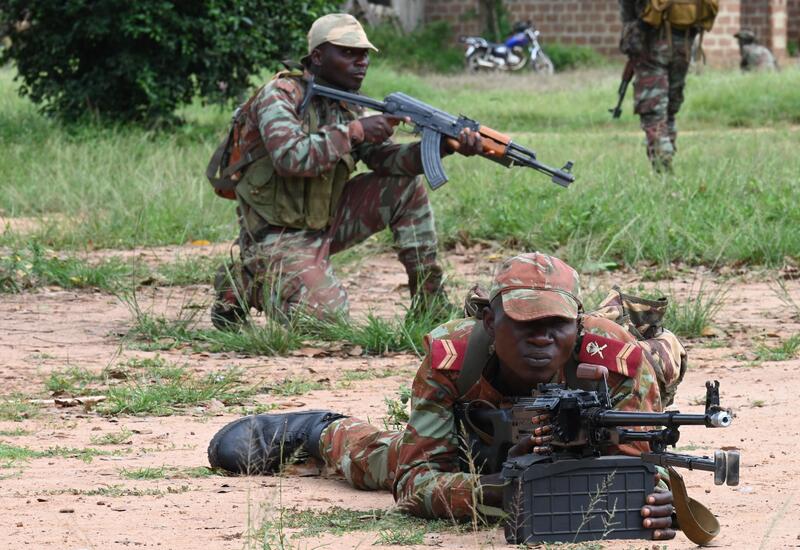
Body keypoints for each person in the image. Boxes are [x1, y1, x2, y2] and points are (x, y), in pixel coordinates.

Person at [207, 252, 687, 540]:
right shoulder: (454, 358)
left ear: (578, 325)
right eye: (524, 323)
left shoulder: (615, 361)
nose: (541, 338)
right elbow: (416, 481)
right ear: (489, 322)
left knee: (660, 358)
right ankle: (320, 431)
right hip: (479, 433)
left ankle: (647, 330)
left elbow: (643, 464)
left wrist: (653, 497)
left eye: (556, 325)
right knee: (388, 462)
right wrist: (496, 490)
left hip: (614, 395)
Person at [210, 13, 483, 329]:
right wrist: (354, 131)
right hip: (275, 232)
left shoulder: (348, 105)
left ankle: (430, 305)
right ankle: (242, 284)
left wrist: (444, 147)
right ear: (318, 56)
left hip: (326, 219)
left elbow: (386, 161)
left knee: (406, 188)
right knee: (326, 321)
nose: (361, 62)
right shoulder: (281, 95)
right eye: (348, 53)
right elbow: (290, 157)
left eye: (364, 54)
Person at [618, 1, 698, 172]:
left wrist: (631, 30)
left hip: (652, 39)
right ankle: (667, 153)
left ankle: (663, 164)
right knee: (669, 106)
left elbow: (627, 10)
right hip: (684, 40)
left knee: (653, 109)